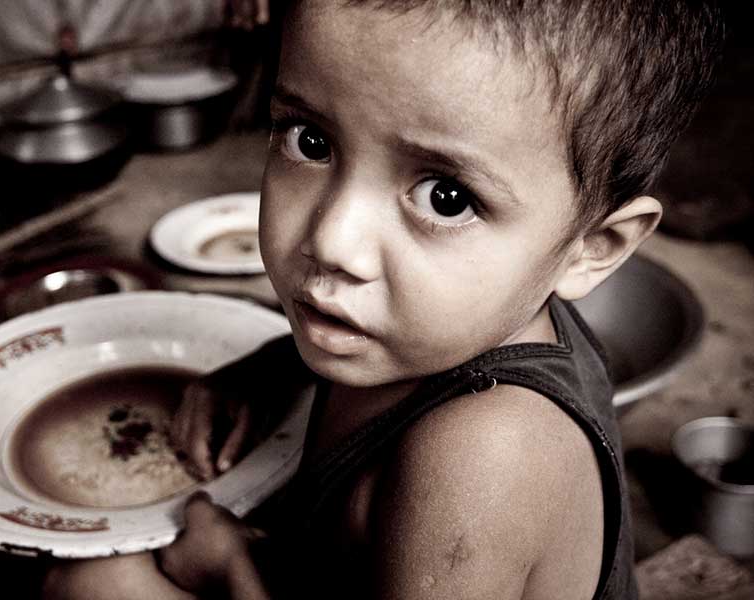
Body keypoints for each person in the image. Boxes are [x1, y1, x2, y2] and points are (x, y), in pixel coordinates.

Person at [43, 1, 724, 598]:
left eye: (445, 197)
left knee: (95, 585)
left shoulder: (484, 456)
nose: (332, 239)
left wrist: (229, 566)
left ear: (590, 248)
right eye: (310, 141)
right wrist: (268, 370)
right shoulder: (441, 319)